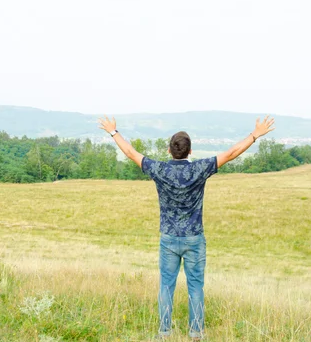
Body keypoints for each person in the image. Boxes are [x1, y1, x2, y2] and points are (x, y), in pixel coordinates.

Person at [98, 115, 275, 340]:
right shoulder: (199, 169)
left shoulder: (160, 170)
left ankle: (164, 333)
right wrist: (254, 135)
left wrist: (114, 132)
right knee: (195, 287)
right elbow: (230, 154)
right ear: (190, 152)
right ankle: (196, 333)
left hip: (169, 238)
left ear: (170, 151)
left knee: (166, 286)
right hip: (194, 239)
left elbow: (131, 153)